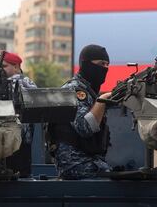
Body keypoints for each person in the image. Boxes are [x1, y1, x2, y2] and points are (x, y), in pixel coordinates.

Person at [48, 44, 112, 179]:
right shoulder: (74, 89)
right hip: (75, 165)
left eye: (107, 64)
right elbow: (86, 127)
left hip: (91, 161)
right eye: (101, 63)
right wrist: (102, 100)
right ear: (86, 64)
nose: (105, 68)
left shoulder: (88, 91)